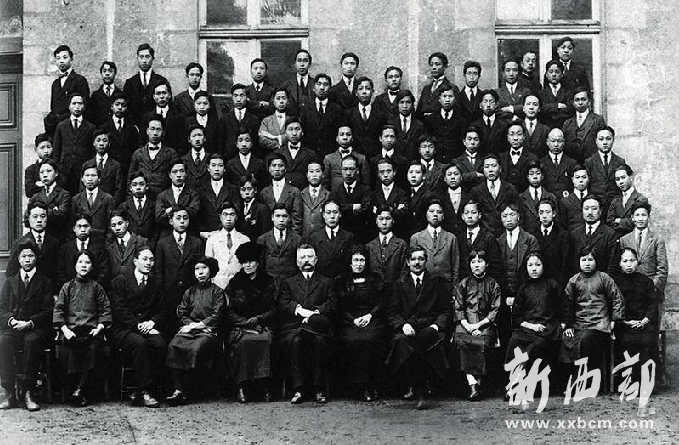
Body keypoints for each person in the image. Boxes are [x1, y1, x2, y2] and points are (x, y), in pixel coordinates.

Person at [386, 246, 450, 409]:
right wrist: (403, 324)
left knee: (423, 342)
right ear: (408, 262)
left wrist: (436, 326)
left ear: (426, 261)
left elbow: (445, 310)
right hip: (408, 329)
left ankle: (417, 387)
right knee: (403, 343)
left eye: (421, 259)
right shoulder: (399, 284)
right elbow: (392, 312)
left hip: (429, 328)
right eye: (413, 259)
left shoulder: (436, 281)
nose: (417, 262)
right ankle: (418, 387)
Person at [109, 245, 167, 408]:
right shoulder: (121, 281)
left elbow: (162, 309)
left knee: (160, 344)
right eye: (145, 259)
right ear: (135, 261)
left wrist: (152, 322)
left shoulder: (156, 283)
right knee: (139, 343)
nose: (149, 263)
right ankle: (145, 391)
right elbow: (119, 310)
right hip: (124, 329)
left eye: (151, 260)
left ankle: (141, 390)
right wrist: (138, 325)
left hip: (148, 327)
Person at [277, 244, 336, 404]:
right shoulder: (288, 282)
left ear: (316, 260)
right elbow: (283, 303)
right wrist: (300, 311)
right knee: (296, 341)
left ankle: (318, 388)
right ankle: (299, 389)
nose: (306, 260)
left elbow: (332, 303)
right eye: (302, 257)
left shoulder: (326, 282)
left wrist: (314, 313)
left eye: (310, 257)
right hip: (295, 327)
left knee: (319, 342)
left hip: (318, 328)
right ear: (297, 262)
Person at [53, 249, 112, 407]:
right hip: (71, 332)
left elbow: (105, 310)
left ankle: (80, 390)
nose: (84, 265)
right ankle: (75, 390)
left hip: (91, 332)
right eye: (80, 262)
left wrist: (99, 327)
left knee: (92, 350)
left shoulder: (97, 287)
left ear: (92, 266)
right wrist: (65, 329)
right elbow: (58, 310)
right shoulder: (67, 287)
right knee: (69, 352)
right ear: (75, 266)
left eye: (87, 262)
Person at [0, 240, 54, 411]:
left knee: (32, 341)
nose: (27, 259)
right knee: (3, 341)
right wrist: (11, 321)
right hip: (15, 326)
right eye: (24, 256)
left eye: (31, 255)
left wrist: (30, 323)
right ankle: (9, 392)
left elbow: (48, 311)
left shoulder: (45, 282)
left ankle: (28, 391)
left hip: (36, 328)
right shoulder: (10, 282)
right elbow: (1, 308)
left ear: (36, 258)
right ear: (18, 259)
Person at [505, 252, 567, 402]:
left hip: (548, 329)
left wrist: (563, 325)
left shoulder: (552, 285)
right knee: (514, 341)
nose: (534, 268)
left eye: (538, 265)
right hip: (529, 328)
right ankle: (514, 382)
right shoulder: (523, 288)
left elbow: (565, 306)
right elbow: (517, 316)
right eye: (530, 265)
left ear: (544, 266)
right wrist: (531, 326)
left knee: (536, 345)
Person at [560, 246, 624, 391]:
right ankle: (568, 381)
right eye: (584, 260)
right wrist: (568, 325)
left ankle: (580, 384)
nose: (587, 263)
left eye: (590, 259)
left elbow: (617, 299)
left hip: (599, 324)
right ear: (579, 262)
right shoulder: (574, 280)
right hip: (579, 324)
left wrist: (614, 320)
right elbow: (567, 304)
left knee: (585, 340)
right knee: (566, 340)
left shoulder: (604, 278)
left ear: (596, 261)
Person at [165, 255, 225, 406]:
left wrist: (198, 325)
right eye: (197, 269)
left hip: (208, 332)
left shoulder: (217, 292)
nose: (200, 272)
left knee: (196, 348)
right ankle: (177, 389)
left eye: (204, 268)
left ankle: (188, 389)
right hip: (189, 330)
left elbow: (217, 315)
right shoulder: (189, 291)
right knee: (173, 345)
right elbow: (182, 313)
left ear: (211, 270)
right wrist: (190, 325)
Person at [333, 245, 389, 401]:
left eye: (362, 260)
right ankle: (355, 386)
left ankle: (370, 385)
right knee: (352, 340)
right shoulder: (341, 280)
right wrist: (353, 319)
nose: (359, 264)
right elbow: (339, 306)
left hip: (372, 318)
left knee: (370, 339)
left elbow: (381, 302)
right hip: (349, 320)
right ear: (350, 263)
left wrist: (370, 315)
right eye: (356, 260)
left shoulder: (375, 279)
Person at [225, 242, 277, 403]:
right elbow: (230, 311)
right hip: (241, 326)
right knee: (244, 342)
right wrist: (245, 322)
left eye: (251, 261)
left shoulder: (268, 281)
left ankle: (264, 385)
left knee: (265, 340)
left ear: (257, 262)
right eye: (244, 262)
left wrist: (259, 319)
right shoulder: (235, 282)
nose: (247, 265)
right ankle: (242, 386)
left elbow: (273, 309)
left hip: (262, 324)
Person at [454, 250, 501, 401]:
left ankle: (477, 384)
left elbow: (495, 309)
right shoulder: (463, 283)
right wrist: (467, 325)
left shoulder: (493, 284)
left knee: (482, 343)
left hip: (485, 323)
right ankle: (472, 383)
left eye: (480, 261)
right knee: (462, 342)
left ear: (487, 264)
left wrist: (479, 326)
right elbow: (458, 307)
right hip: (465, 323)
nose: (476, 265)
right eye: (473, 262)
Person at [497, 203, 540, 350]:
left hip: (525, 295)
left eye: (512, 215)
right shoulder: (498, 241)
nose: (509, 219)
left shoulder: (530, 240)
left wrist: (520, 295)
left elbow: (534, 270)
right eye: (505, 216)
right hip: (504, 297)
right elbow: (497, 272)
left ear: (519, 217)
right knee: (505, 333)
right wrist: (505, 296)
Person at [613, 248, 659, 385]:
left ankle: (646, 382)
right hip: (624, 325)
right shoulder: (615, 282)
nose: (629, 264)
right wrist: (625, 322)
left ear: (637, 261)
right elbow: (613, 305)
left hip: (644, 324)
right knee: (627, 341)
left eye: (632, 260)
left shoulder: (646, 281)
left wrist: (644, 321)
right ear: (619, 263)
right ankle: (630, 382)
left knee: (647, 340)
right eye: (625, 261)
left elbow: (652, 304)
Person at [619, 202, 668, 326]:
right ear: (632, 218)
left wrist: (652, 288)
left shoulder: (657, 240)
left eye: (643, 215)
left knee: (651, 329)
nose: (640, 218)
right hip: (631, 294)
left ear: (648, 217)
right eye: (637, 215)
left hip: (652, 292)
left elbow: (662, 269)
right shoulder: (624, 240)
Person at [155, 206, 204, 321]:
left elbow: (200, 269)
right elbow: (158, 271)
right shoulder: (162, 243)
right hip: (169, 294)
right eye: (178, 218)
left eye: (185, 218)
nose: (182, 221)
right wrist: (160, 294)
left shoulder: (197, 243)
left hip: (191, 293)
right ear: (171, 221)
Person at [6, 203, 61, 293]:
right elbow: (11, 272)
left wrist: (55, 293)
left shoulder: (55, 243)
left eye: (43, 216)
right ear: (29, 218)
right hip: (27, 292)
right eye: (35, 216)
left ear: (47, 218)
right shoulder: (19, 243)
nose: (39, 220)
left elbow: (58, 272)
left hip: (48, 293)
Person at [409, 198, 460, 292]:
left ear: (443, 216)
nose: (435, 214)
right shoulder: (416, 238)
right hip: (423, 288)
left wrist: (455, 291)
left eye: (439, 212)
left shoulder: (451, 238)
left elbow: (455, 269)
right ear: (426, 215)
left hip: (446, 288)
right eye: (431, 211)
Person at [53, 92, 96, 196]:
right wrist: (58, 169)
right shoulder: (61, 126)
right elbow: (56, 150)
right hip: (64, 171)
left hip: (82, 170)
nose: (77, 106)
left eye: (80, 103)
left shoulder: (91, 128)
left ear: (84, 106)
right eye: (74, 103)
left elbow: (92, 151)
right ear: (69, 106)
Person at [127, 114, 180, 199]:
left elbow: (176, 179)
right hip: (142, 199)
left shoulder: (171, 153)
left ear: (163, 132)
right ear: (147, 131)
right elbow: (130, 179)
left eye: (158, 129)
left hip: (164, 199)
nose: (155, 133)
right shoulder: (138, 153)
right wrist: (131, 201)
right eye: (152, 129)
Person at [569, 196, 620, 277]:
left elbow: (613, 266)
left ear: (601, 211)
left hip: (602, 282)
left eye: (594, 208)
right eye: (586, 208)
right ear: (582, 211)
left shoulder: (610, 234)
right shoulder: (575, 234)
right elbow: (571, 264)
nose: (590, 212)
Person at [45, 45, 90, 135]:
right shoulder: (55, 83)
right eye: (58, 58)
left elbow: (85, 106)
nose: (61, 61)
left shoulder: (79, 80)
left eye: (65, 57)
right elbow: (53, 107)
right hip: (57, 127)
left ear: (71, 59)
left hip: (72, 126)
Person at [470, 154, 518, 237]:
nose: (490, 170)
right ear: (483, 169)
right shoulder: (476, 191)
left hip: (505, 235)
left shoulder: (510, 188)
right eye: (487, 166)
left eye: (494, 166)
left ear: (500, 168)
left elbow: (517, 213)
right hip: (484, 236)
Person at [456, 199, 504, 283]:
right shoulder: (459, 239)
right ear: (462, 216)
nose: (470, 216)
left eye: (473, 213)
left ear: (479, 215)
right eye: (466, 213)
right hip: (464, 285)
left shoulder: (489, 238)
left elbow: (495, 267)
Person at [204, 202, 250, 289]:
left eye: (232, 214)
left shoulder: (244, 240)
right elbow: (208, 265)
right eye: (225, 214)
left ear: (236, 217)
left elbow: (247, 265)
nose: (228, 218)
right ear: (220, 217)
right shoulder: (212, 240)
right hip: (218, 285)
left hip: (239, 286)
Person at [58, 214, 110, 289]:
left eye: (86, 226)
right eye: (79, 226)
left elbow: (103, 271)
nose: (82, 230)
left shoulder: (99, 248)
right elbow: (61, 271)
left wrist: (93, 288)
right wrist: (70, 289)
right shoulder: (65, 249)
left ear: (90, 228)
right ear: (74, 228)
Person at [123, 43, 169, 127]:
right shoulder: (130, 83)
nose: (144, 60)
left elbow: (168, 107)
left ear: (153, 58)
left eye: (147, 57)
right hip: (135, 128)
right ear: (137, 58)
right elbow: (125, 108)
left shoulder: (161, 81)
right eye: (141, 57)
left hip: (156, 128)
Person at [306, 200, 354, 279]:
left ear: (340, 214)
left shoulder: (348, 237)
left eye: (335, 212)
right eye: (328, 213)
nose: (332, 216)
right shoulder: (314, 237)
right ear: (323, 215)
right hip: (320, 282)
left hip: (341, 281)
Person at [365, 206, 408, 294]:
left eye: (388, 219)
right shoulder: (369, 246)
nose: (384, 222)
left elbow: (404, 271)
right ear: (376, 221)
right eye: (381, 219)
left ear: (393, 220)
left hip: (395, 292)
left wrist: (398, 289)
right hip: (374, 293)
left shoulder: (401, 244)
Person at [257, 203, 301, 288]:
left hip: (290, 285)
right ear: (272, 217)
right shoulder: (262, 239)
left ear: (289, 218)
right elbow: (261, 266)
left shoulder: (297, 239)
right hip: (269, 285)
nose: (281, 220)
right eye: (277, 216)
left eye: (284, 216)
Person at [329, 155, 372, 242]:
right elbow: (333, 210)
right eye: (345, 169)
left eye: (351, 169)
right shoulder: (335, 191)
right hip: (340, 236)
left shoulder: (365, 190)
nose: (348, 173)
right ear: (341, 171)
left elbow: (366, 210)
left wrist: (342, 208)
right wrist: (353, 207)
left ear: (357, 171)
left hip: (360, 235)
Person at [196, 153, 240, 235]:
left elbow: (237, 212)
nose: (216, 169)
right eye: (213, 165)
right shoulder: (200, 190)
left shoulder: (233, 190)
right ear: (208, 168)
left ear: (224, 169)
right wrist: (203, 232)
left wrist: (221, 231)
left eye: (220, 165)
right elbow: (197, 214)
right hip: (206, 235)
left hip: (227, 233)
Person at [155, 160, 201, 238]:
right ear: (170, 175)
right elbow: (159, 217)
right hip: (167, 235)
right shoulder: (162, 196)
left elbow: (193, 213)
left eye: (182, 171)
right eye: (175, 172)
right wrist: (184, 209)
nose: (179, 175)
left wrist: (170, 210)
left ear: (186, 174)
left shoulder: (193, 194)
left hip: (189, 235)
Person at [259, 152, 303, 234]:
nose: (277, 169)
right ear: (269, 169)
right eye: (273, 165)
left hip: (289, 235)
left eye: (280, 165)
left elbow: (297, 220)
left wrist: (293, 238)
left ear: (286, 168)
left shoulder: (294, 191)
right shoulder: (264, 193)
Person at [532, 198, 572, 287]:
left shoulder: (563, 235)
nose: (544, 216)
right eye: (541, 212)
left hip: (556, 283)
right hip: (537, 283)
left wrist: (559, 285)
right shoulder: (533, 235)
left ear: (554, 213)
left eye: (547, 212)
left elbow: (565, 264)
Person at [70, 164, 116, 240]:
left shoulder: (107, 199)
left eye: (93, 175)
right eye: (87, 175)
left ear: (99, 179)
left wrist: (107, 243)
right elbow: (72, 225)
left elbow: (111, 225)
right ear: (82, 178)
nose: (90, 179)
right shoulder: (76, 199)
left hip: (101, 241)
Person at [562, 87, 606, 164]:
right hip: (573, 165)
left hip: (593, 164)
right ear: (573, 103)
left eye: (583, 99)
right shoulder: (567, 123)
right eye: (577, 100)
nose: (580, 102)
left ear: (589, 101)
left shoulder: (597, 120)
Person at [346, 76, 387, 158]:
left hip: (374, 156)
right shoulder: (348, 114)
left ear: (372, 92)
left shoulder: (381, 115)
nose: (364, 92)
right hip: (354, 157)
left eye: (367, 88)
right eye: (361, 89)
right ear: (356, 92)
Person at [101, 91, 139, 178]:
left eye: (123, 105)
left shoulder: (132, 128)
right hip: (109, 170)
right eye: (117, 104)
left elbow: (135, 150)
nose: (120, 107)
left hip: (127, 169)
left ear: (127, 107)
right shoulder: (104, 127)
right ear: (112, 106)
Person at [81, 129, 125, 204]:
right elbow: (82, 188)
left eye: (105, 141)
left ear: (109, 144)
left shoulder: (116, 165)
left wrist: (112, 205)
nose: (101, 143)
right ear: (94, 143)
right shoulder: (87, 164)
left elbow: (119, 189)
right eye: (98, 140)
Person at [141, 81, 185, 154]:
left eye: (164, 93)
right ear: (154, 97)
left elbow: (182, 144)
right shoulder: (147, 117)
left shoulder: (178, 117)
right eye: (158, 93)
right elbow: (142, 141)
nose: (161, 96)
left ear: (169, 95)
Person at [423, 85, 464, 164]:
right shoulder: (430, 120)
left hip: (454, 163)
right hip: (435, 162)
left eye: (450, 96)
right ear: (439, 99)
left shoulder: (462, 121)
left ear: (455, 99)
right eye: (444, 96)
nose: (447, 100)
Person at [275, 117, 318, 191]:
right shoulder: (278, 153)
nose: (294, 133)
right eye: (290, 129)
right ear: (285, 132)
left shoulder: (311, 154)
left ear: (302, 132)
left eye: (297, 129)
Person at [606, 164, 648, 237]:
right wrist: (627, 222)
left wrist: (619, 221)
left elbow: (637, 221)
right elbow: (609, 222)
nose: (621, 182)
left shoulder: (640, 198)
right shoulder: (615, 201)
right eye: (617, 179)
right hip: (617, 239)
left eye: (623, 177)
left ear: (631, 178)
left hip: (634, 239)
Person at [323, 126, 370, 191]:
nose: (345, 138)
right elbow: (325, 184)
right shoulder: (329, 159)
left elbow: (366, 184)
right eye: (341, 134)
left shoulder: (361, 158)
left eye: (348, 134)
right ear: (337, 138)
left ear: (352, 138)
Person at [107, 208, 149, 280]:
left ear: (127, 223)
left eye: (120, 223)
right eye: (113, 225)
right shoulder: (109, 246)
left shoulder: (141, 242)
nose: (117, 228)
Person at [119, 171, 158, 247]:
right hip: (129, 247)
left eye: (141, 184)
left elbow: (157, 230)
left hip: (150, 246)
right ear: (130, 188)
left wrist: (150, 246)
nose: (138, 187)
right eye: (134, 185)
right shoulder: (123, 207)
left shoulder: (154, 206)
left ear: (147, 186)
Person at [222, 84, 260, 160]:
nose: (238, 99)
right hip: (229, 159)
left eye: (242, 95)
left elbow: (256, 144)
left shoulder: (254, 119)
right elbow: (221, 143)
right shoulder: (224, 119)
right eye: (235, 96)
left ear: (247, 97)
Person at [416, 52, 459, 119]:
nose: (433, 67)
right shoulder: (426, 89)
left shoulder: (451, 88)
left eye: (437, 64)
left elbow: (456, 113)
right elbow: (418, 112)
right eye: (431, 65)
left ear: (445, 67)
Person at [517, 160, 556, 234]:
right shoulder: (521, 198)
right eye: (531, 174)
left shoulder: (551, 197)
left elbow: (556, 221)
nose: (535, 177)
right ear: (527, 177)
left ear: (542, 176)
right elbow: (519, 221)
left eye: (538, 173)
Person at [499, 122, 538, 193]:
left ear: (524, 137)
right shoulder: (500, 158)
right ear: (507, 137)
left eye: (519, 134)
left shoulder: (532, 158)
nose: (515, 138)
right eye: (512, 134)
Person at [540, 128, 579, 199]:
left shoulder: (572, 163)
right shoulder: (541, 163)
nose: (556, 144)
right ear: (547, 142)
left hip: (566, 201)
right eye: (553, 141)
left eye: (559, 141)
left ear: (564, 142)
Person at [471, 89, 509, 155]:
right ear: (480, 105)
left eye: (491, 102)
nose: (488, 105)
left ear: (496, 105)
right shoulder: (474, 125)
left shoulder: (504, 125)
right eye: (485, 101)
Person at [538, 60, 574, 130]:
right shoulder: (541, 93)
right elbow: (541, 110)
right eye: (551, 72)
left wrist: (549, 109)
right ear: (546, 74)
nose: (554, 74)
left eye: (557, 72)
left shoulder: (568, 93)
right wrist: (557, 106)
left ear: (562, 74)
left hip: (564, 128)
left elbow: (570, 110)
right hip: (546, 128)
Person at [389, 90, 425, 160]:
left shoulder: (419, 125)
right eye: (401, 102)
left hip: (413, 163)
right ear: (397, 104)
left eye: (408, 102)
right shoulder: (391, 123)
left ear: (412, 104)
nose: (405, 106)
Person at [436, 162, 468, 236]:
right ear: (444, 178)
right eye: (449, 174)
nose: (453, 177)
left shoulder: (469, 195)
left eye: (456, 174)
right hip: (446, 236)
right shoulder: (439, 196)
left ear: (461, 177)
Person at [300, 160, 330, 239]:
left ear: (323, 174)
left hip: (322, 239)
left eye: (317, 171)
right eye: (311, 171)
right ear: (307, 175)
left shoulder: (328, 195)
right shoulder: (300, 195)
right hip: (304, 238)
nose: (314, 175)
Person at [235, 175, 270, 241]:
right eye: (243, 189)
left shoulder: (262, 209)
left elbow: (265, 233)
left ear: (255, 190)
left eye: (249, 189)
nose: (246, 192)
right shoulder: (238, 208)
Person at [258, 88, 294, 152]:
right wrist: (278, 144)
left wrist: (273, 137)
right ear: (273, 102)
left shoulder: (293, 120)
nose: (281, 101)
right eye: (278, 98)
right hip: (271, 155)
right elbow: (262, 140)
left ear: (288, 101)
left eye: (284, 98)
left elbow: (294, 136)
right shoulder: (266, 121)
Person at [86, 61, 119, 126]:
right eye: (104, 71)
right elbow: (91, 117)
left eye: (110, 71)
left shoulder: (120, 94)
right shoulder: (95, 96)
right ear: (101, 73)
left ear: (115, 73)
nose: (107, 74)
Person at [282, 49, 315, 115]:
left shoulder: (315, 84)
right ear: (295, 64)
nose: (302, 64)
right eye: (299, 61)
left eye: (305, 61)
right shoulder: (286, 85)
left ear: (309, 64)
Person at [453, 126, 485, 191]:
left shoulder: (484, 160)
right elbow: (457, 178)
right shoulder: (456, 161)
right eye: (469, 139)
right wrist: (475, 175)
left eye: (476, 139)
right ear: (464, 142)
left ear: (479, 142)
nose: (472, 142)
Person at [559, 165, 590, 231]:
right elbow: (562, 225)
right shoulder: (565, 201)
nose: (581, 180)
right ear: (572, 179)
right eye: (577, 177)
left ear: (588, 179)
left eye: (584, 177)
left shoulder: (594, 200)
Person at [180, 124, 210, 190]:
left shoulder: (211, 159)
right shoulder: (182, 160)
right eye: (194, 136)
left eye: (200, 135)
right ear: (189, 139)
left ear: (205, 138)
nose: (197, 139)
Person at [25, 134, 54, 199]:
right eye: (42, 148)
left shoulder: (57, 168)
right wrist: (50, 185)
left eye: (49, 147)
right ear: (36, 149)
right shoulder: (31, 170)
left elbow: (61, 187)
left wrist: (41, 184)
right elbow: (29, 191)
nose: (46, 151)